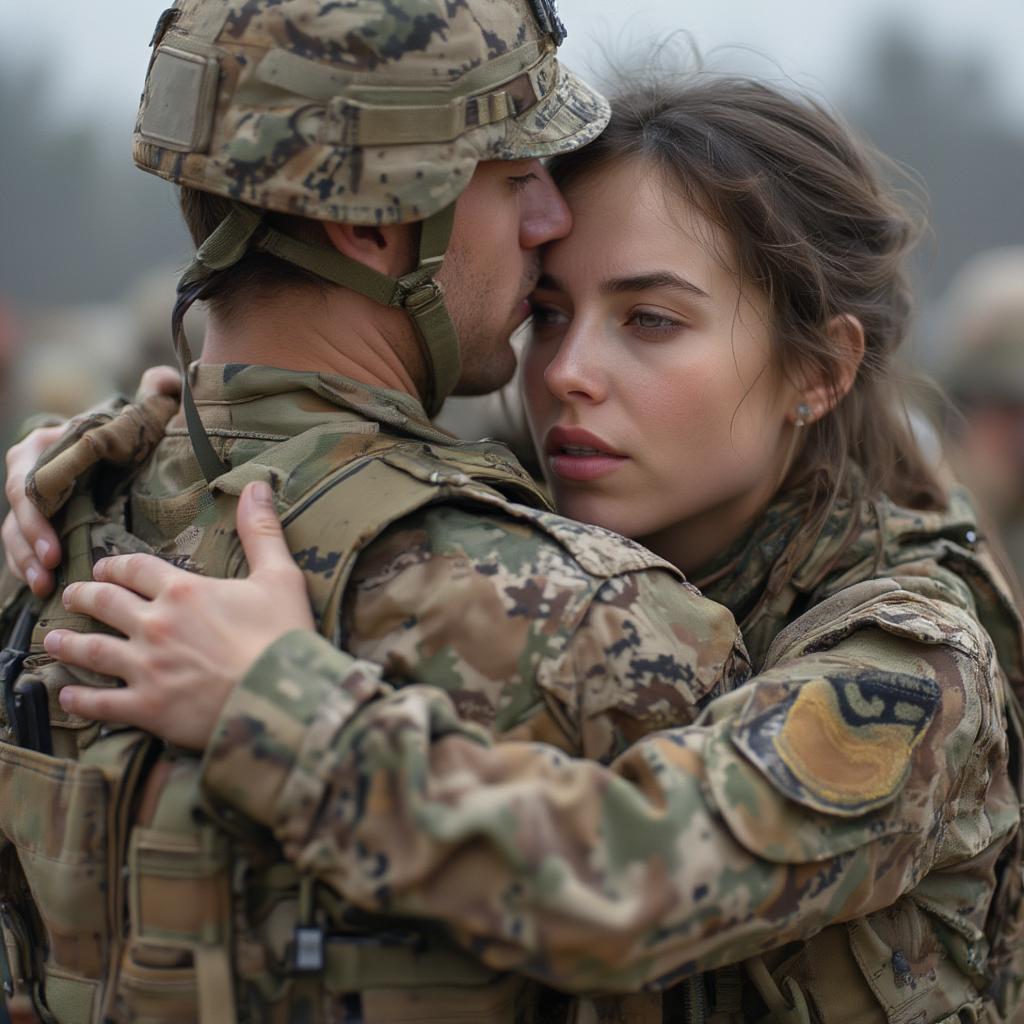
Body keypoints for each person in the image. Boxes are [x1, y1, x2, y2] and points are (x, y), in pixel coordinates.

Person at [10, 76, 1024, 1023]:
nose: (569, 372)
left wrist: (275, 706)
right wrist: (120, 446)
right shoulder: (532, 527)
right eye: (548, 313)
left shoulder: (914, 656)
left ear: (820, 369)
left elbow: (631, 879)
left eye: (650, 320)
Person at [0, 3, 753, 1024]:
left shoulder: (42, 542)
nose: (549, 220)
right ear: (374, 221)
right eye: (515, 179)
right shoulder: (596, 622)